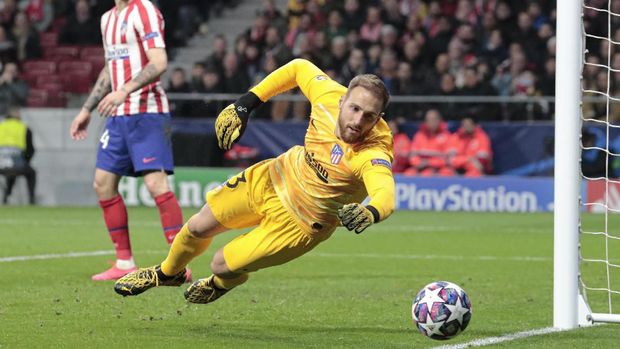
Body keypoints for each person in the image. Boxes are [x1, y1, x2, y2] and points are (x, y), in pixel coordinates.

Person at [114, 58, 395, 304]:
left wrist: (370, 211)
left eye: (369, 116)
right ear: (342, 100)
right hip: (275, 177)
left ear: (378, 118)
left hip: (301, 223)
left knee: (221, 264)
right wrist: (246, 104)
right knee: (198, 226)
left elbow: (385, 193)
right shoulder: (327, 94)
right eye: (354, 108)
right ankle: (167, 273)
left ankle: (220, 284)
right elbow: (298, 67)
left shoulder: (372, 151)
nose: (358, 121)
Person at [69, 0, 187, 282]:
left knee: (155, 183)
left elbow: (159, 62)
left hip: (147, 112)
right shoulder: (107, 18)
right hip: (119, 115)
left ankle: (178, 265)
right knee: (103, 183)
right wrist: (87, 108)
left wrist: (124, 91)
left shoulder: (144, 9)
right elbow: (111, 68)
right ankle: (124, 262)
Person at [0, 106, 35, 204]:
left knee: (11, 173)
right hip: (17, 164)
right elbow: (30, 150)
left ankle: (6, 197)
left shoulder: (1, 126)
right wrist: (25, 161)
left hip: (1, 164)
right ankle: (31, 199)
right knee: (31, 173)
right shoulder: (24, 128)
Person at [404, 109, 453, 176]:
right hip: (420, 167)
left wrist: (429, 162)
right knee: (409, 173)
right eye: (428, 119)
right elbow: (413, 155)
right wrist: (418, 163)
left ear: (439, 120)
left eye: (434, 119)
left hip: (439, 168)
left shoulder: (447, 136)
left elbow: (447, 158)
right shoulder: (419, 135)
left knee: (446, 173)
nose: (431, 122)